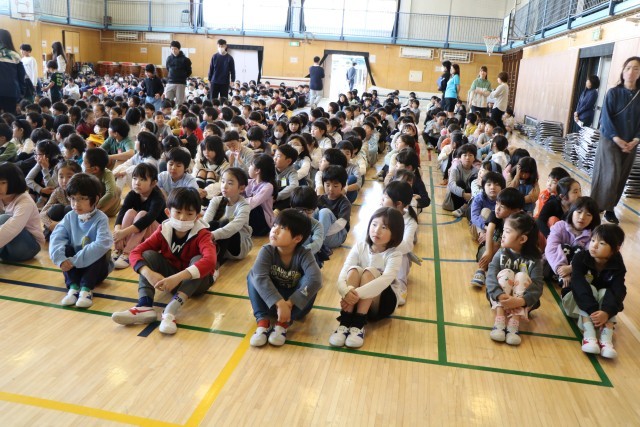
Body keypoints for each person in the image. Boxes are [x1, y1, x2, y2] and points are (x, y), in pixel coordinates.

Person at [112, 187, 217, 335]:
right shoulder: (164, 229)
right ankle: (144, 306)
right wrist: (148, 273)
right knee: (147, 255)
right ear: (168, 212)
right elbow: (135, 252)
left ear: (197, 216)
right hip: (171, 279)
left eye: (189, 214)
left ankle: (170, 311)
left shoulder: (203, 234)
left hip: (197, 284)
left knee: (198, 259)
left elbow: (210, 261)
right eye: (178, 212)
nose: (182, 218)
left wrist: (177, 278)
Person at [329, 207, 404, 348]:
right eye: (374, 224)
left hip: (382, 304)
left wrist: (352, 295)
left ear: (395, 233)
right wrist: (345, 291)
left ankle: (358, 325)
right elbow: (344, 272)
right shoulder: (360, 246)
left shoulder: (395, 254)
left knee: (370, 272)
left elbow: (384, 281)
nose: (377, 230)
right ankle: (345, 322)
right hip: (355, 301)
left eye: (384, 227)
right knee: (353, 270)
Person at [247, 208, 322, 347]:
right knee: (253, 274)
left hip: (294, 308)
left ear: (297, 238)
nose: (274, 231)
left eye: (282, 228)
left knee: (311, 280)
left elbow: (316, 279)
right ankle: (262, 322)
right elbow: (259, 276)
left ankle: (283, 324)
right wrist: (279, 303)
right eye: (275, 225)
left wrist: (290, 303)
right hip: (270, 303)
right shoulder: (267, 250)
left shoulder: (305, 254)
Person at [49, 173, 114, 308]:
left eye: (82, 199)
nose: (76, 204)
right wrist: (60, 259)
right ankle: (73, 287)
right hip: (73, 267)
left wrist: (73, 261)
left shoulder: (101, 218)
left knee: (100, 252)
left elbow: (102, 243)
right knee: (65, 249)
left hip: (95, 270)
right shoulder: (70, 217)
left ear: (95, 199)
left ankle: (86, 290)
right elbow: (57, 237)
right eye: (73, 198)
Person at [562, 224, 626, 359]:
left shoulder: (618, 265)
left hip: (599, 310)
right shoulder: (580, 258)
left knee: (607, 292)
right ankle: (589, 335)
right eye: (592, 240)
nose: (594, 245)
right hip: (573, 302)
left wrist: (607, 312)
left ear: (616, 249)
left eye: (601, 243)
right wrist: (593, 311)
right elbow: (578, 286)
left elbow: (618, 291)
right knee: (588, 287)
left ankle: (606, 340)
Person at [590, 57, 640, 224]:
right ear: (623, 71)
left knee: (621, 177)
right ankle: (596, 206)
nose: (631, 72)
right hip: (610, 140)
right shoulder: (613, 93)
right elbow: (605, 119)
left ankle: (610, 209)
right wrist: (617, 138)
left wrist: (635, 140)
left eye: (636, 69)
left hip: (630, 143)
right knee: (609, 174)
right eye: (628, 68)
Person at [486, 213, 543, 346]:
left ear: (522, 239)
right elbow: (491, 276)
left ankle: (513, 325)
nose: (503, 235)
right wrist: (500, 295)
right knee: (506, 273)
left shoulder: (534, 259)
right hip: (500, 297)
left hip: (522, 300)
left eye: (507, 231)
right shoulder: (501, 253)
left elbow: (537, 286)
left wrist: (520, 301)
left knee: (522, 276)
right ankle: (499, 321)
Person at [112, 164, 167, 269]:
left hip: (158, 235)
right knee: (129, 212)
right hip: (141, 234)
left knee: (142, 214)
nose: (137, 182)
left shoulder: (158, 198)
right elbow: (122, 212)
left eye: (143, 179)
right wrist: (118, 232)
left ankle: (128, 253)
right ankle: (119, 249)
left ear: (153, 183)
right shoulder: (133, 194)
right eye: (134, 178)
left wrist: (123, 233)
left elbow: (147, 220)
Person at [545, 197, 600, 288]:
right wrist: (561, 269)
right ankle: (567, 283)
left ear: (593, 219)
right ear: (572, 212)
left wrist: (571, 268)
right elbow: (550, 248)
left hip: (576, 270)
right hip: (554, 267)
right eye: (579, 212)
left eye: (588, 214)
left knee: (581, 252)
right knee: (565, 248)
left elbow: (591, 256)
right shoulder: (560, 226)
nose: (582, 217)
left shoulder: (593, 236)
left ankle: (572, 284)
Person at [381, 181, 418, 306]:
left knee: (402, 256)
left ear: (398, 204)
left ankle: (400, 288)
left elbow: (407, 245)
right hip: (380, 252)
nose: (382, 199)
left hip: (396, 254)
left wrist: (386, 243)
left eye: (386, 197)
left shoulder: (410, 221)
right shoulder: (381, 214)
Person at [0, 162, 45, 261]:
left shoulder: (25, 201)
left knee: (4, 219)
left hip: (29, 247)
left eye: (3, 183)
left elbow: (12, 228)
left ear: (14, 182)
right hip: (7, 247)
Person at [0, 30, 26, 114]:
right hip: (12, 92)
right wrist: (21, 94)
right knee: (10, 117)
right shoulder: (15, 55)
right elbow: (21, 76)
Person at [165, 41, 192, 106]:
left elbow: (189, 71)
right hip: (170, 82)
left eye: (175, 49)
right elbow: (168, 68)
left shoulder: (185, 60)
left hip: (180, 83)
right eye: (172, 49)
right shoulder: (169, 58)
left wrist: (182, 77)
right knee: (168, 101)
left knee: (179, 102)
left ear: (179, 49)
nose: (173, 50)